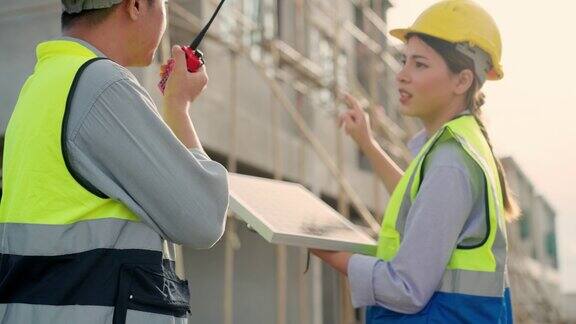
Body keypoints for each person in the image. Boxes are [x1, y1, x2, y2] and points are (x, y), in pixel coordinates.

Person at [0, 1, 229, 323]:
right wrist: (178, 108)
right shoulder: (102, 84)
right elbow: (203, 219)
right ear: (135, 5)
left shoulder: (42, 84)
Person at [311, 0, 519, 322]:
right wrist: (366, 142)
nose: (401, 76)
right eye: (403, 61)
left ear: (462, 81)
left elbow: (406, 288)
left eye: (419, 65)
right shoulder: (461, 143)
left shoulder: (452, 160)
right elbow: (423, 203)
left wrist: (326, 250)